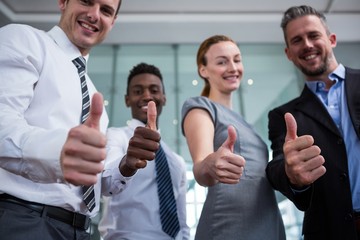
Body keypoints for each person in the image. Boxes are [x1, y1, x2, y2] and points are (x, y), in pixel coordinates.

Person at [0, 1, 161, 239]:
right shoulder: (24, 39)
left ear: (112, 22)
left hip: (79, 230)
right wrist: (59, 152)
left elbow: (94, 180)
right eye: (86, 1)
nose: (94, 15)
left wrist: (126, 164)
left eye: (106, 10)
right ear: (63, 1)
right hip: (25, 220)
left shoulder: (93, 94)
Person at [266, 5, 360, 240]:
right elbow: (278, 165)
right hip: (329, 231)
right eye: (297, 40)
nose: (307, 44)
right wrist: (291, 173)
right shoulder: (282, 116)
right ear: (288, 53)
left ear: (332, 39)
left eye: (313, 35)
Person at [181, 35, 285, 240]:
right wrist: (209, 165)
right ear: (203, 70)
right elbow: (201, 166)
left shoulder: (245, 123)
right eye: (222, 62)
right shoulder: (200, 107)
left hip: (266, 217)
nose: (232, 67)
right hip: (230, 222)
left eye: (237, 60)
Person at [98, 62, 189, 240]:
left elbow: (182, 218)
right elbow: (107, 175)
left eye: (154, 90)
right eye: (138, 91)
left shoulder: (177, 161)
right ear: (127, 99)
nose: (147, 96)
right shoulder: (116, 137)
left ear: (164, 97)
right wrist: (127, 164)